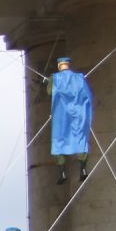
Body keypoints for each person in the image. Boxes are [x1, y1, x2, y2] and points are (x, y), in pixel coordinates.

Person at [49, 56, 94, 184]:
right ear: (68, 65)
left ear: (59, 66)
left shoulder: (55, 78)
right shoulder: (79, 78)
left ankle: (62, 173)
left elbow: (49, 93)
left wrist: (47, 84)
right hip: (77, 113)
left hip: (61, 114)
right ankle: (83, 170)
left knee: (59, 141)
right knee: (80, 138)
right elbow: (87, 95)